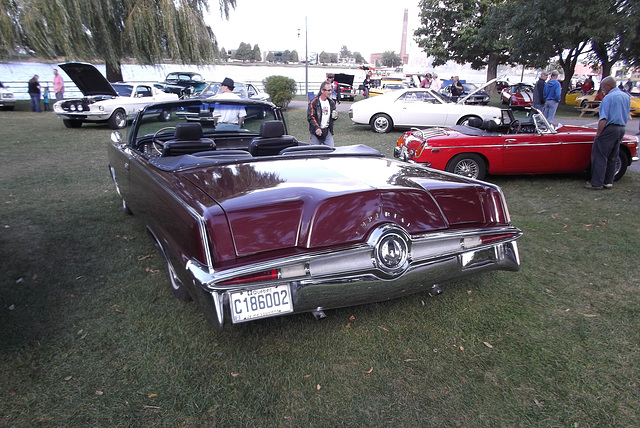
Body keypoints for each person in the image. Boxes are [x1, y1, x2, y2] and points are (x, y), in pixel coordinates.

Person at [585, 76, 630, 190]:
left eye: (603, 87)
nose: (602, 89)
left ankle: (597, 183)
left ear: (609, 86)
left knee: (600, 155)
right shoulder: (626, 97)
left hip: (610, 128)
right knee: (613, 155)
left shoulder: (608, 98)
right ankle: (608, 181)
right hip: (621, 128)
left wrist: (599, 133)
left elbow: (603, 118)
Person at [307, 80, 337, 147]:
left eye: (331, 90)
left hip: (327, 131)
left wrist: (335, 116)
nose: (330, 92)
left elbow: (333, 117)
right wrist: (317, 128)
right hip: (316, 132)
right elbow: (311, 117)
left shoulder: (331, 103)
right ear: (322, 91)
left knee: (331, 151)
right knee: (315, 153)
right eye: (328, 90)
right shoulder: (314, 102)